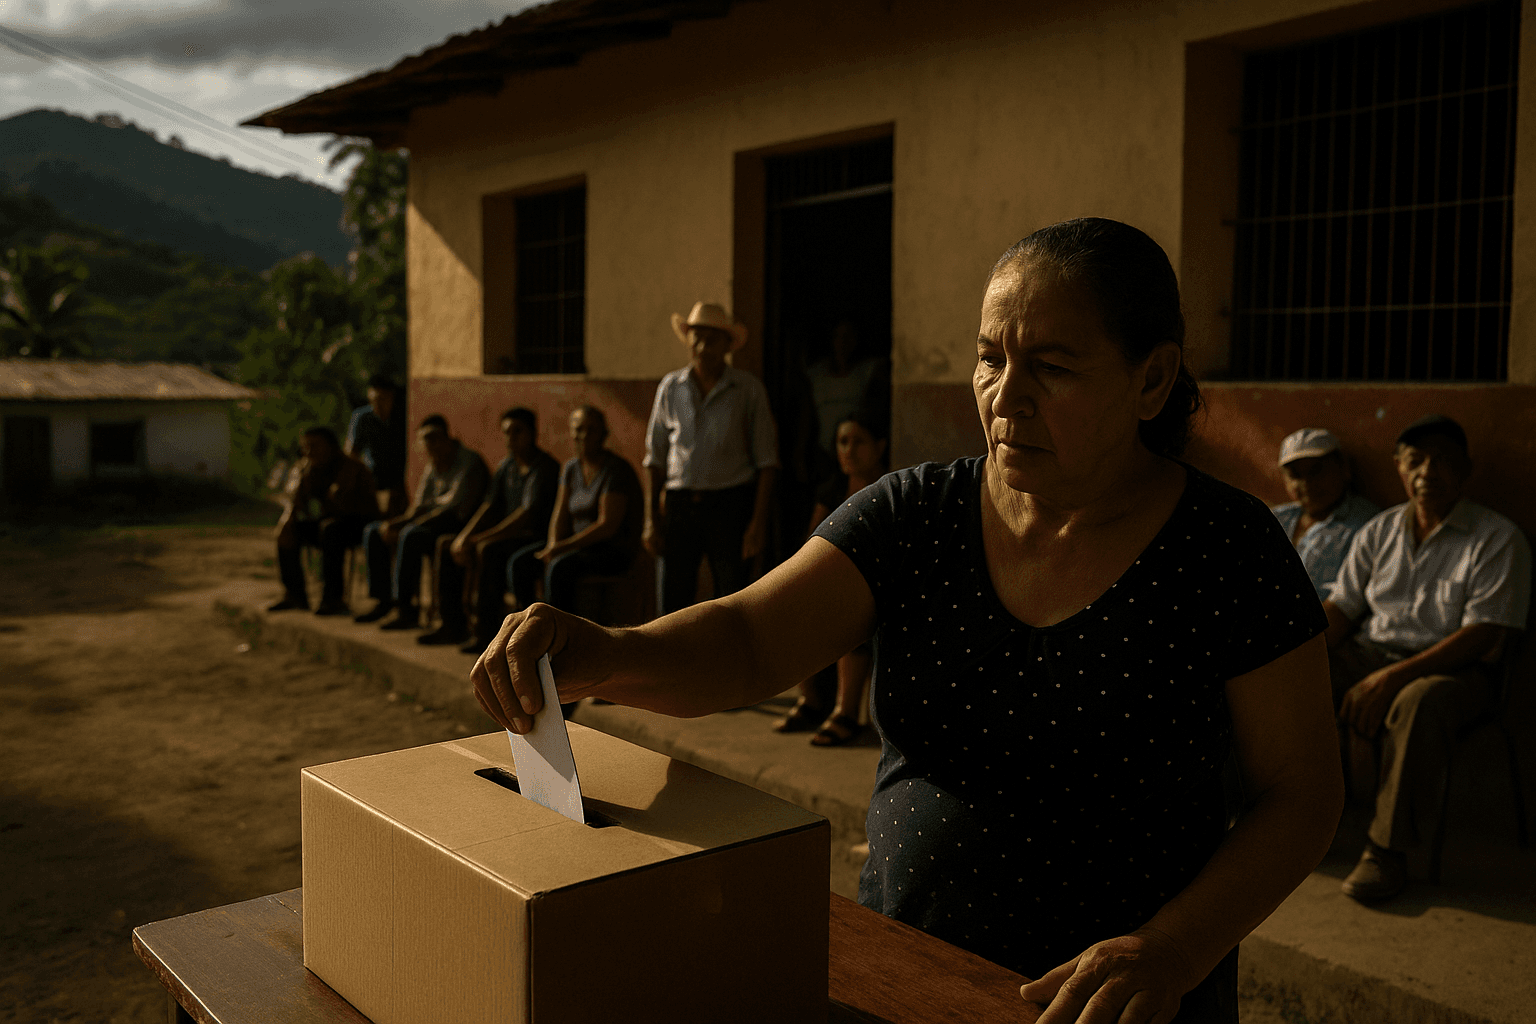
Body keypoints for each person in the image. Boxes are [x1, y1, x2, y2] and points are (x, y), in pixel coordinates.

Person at [474, 218, 1343, 1023]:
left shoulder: (1227, 551)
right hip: (902, 970)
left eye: (1053, 366)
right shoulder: (915, 516)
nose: (1007, 396)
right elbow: (748, 641)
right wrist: (608, 653)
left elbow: (1301, 792)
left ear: (1152, 377)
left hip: (1114, 1006)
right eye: (989, 357)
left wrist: (1176, 947)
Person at [1323, 414, 1530, 904]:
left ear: (1465, 470)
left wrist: (1392, 678)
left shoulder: (1497, 538)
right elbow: (1342, 607)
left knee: (1418, 702)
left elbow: (1484, 634)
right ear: (1398, 467)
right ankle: (1287, 818)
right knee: (1290, 677)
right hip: (1371, 654)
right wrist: (1291, 651)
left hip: (1456, 670)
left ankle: (1385, 851)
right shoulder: (1379, 531)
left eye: (1442, 462)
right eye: (1415, 461)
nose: (1427, 473)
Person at [643, 301, 779, 615]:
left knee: (732, 599)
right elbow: (655, 458)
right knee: (673, 601)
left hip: (730, 506)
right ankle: (672, 663)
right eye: (697, 336)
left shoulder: (747, 389)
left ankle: (726, 664)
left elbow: (767, 462)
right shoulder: (671, 387)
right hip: (679, 504)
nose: (703, 346)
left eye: (713, 338)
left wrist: (757, 524)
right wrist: (651, 520)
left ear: (728, 345)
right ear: (688, 340)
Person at [774, 410, 889, 746]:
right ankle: (811, 702)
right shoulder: (833, 489)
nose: (849, 451)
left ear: (880, 447)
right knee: (795, 608)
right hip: (841, 581)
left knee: (847, 619)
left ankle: (846, 712)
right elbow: (815, 543)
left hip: (882, 587)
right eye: (842, 442)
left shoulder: (892, 489)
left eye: (859, 442)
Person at [417, 407, 561, 652]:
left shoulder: (544, 467)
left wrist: (481, 538)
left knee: (488, 549)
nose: (511, 438)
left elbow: (525, 516)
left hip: (535, 538)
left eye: (518, 431)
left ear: (533, 433)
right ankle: (453, 624)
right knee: (447, 544)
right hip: (506, 536)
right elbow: (488, 506)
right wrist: (464, 537)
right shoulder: (506, 467)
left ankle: (488, 632)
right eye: (506, 432)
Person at [355, 414, 489, 630]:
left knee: (411, 535)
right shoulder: (432, 463)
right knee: (375, 530)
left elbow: (453, 509)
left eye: (434, 438)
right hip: (432, 522)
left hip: (460, 523)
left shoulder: (468, 461)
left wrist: (408, 525)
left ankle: (406, 608)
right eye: (425, 441)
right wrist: (394, 523)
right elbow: (419, 505)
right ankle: (383, 601)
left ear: (447, 438)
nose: (430, 445)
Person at [507, 406, 641, 616]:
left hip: (610, 550)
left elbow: (607, 526)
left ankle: (561, 635)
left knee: (560, 567)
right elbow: (560, 514)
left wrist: (561, 548)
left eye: (592, 430)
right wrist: (553, 545)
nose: (584, 436)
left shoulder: (616, 470)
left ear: (603, 435)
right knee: (521, 562)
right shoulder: (571, 468)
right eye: (579, 430)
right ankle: (529, 628)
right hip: (575, 546)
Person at [268, 426, 378, 615]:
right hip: (327, 524)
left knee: (331, 530)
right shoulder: (305, 467)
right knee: (288, 531)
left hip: (358, 523)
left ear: (331, 446)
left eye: (314, 446)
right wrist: (288, 518)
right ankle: (295, 594)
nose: (309, 451)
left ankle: (333, 599)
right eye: (306, 447)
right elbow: (296, 501)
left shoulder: (351, 466)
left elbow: (344, 503)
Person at [1270, 427, 1379, 600]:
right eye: (1296, 475)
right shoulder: (1275, 519)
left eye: (1316, 471)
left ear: (1344, 469)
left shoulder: (1367, 524)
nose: (1306, 484)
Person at [802, 319, 889, 483]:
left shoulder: (868, 371)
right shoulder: (817, 374)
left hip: (858, 450)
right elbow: (806, 417)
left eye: (847, 337)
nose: (842, 343)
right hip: (824, 453)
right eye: (837, 337)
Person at [346, 373, 408, 518]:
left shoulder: (403, 416)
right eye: (374, 401)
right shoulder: (362, 417)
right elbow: (351, 454)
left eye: (383, 400)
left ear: (392, 397)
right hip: (373, 477)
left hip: (400, 475)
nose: (378, 405)